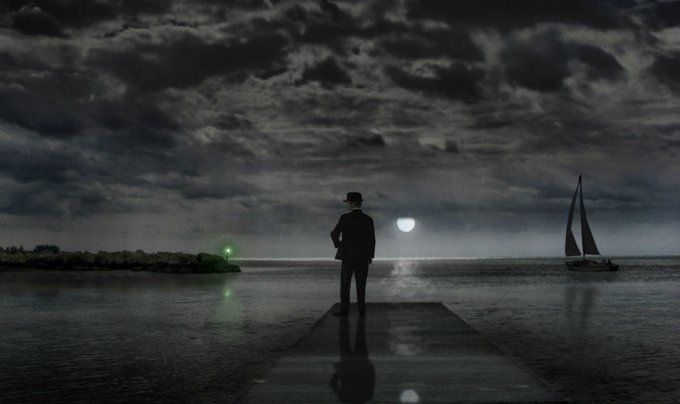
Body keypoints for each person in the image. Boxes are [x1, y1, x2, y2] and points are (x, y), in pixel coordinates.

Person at [330, 192, 375, 317]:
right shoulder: (368, 219)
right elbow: (371, 240)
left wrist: (339, 245)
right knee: (361, 284)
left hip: (347, 256)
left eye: (348, 202)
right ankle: (362, 310)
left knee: (345, 284)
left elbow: (334, 234)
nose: (347, 205)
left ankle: (344, 311)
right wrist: (370, 256)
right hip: (363, 257)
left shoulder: (345, 218)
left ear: (352, 203)